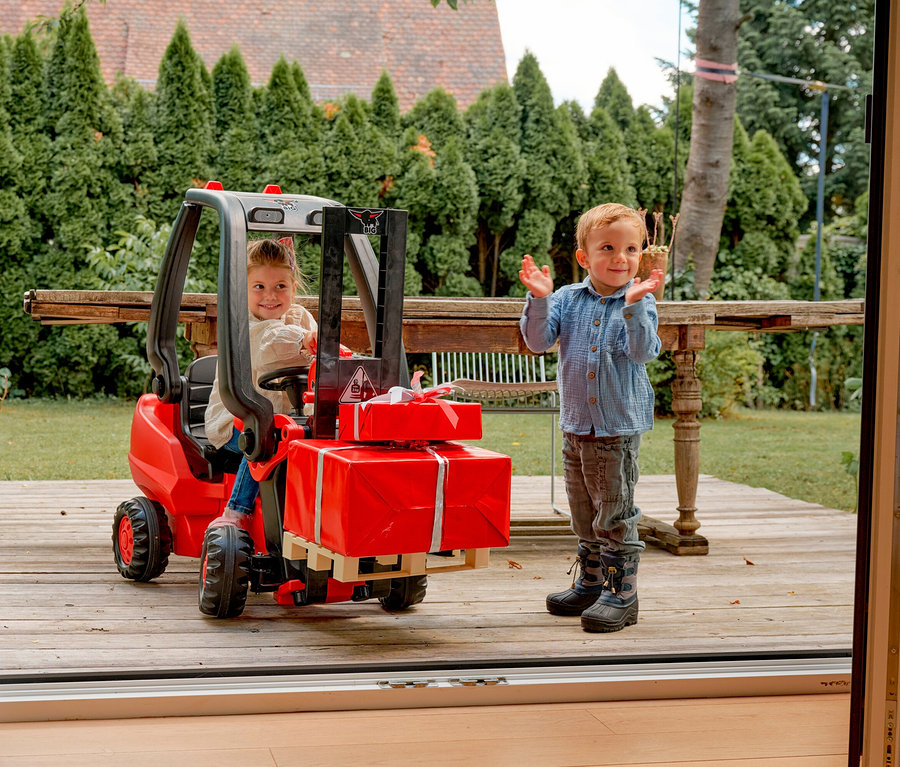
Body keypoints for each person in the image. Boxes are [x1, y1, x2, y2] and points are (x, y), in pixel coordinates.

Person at [518, 203, 663, 633]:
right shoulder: (565, 299)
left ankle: (623, 594)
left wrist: (635, 308)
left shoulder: (642, 301)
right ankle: (594, 581)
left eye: (631, 249)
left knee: (614, 512)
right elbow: (538, 341)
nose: (621, 258)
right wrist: (540, 299)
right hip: (577, 424)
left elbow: (642, 353)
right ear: (583, 256)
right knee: (582, 510)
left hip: (616, 429)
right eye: (608, 248)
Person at [204, 237, 317, 529]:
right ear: (243, 291)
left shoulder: (300, 317)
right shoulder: (246, 325)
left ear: (294, 288)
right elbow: (272, 341)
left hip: (289, 419)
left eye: (281, 286)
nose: (271, 295)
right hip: (235, 423)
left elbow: (318, 351)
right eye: (259, 287)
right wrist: (305, 341)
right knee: (265, 436)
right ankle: (236, 512)